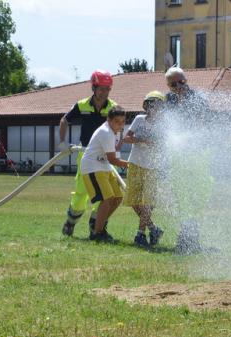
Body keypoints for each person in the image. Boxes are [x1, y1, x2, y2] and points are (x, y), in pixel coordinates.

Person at [58, 70, 117, 236]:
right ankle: (71, 221)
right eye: (101, 89)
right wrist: (62, 142)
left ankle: (95, 226)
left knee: (105, 192)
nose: (104, 93)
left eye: (107, 89)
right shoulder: (81, 105)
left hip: (104, 157)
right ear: (94, 88)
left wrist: (115, 149)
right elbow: (64, 120)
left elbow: (119, 129)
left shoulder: (113, 108)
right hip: (85, 155)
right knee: (81, 191)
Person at [161, 67, 213, 254]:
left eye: (181, 82)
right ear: (169, 86)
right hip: (178, 156)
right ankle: (187, 236)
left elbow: (202, 122)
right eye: (174, 84)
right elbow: (166, 126)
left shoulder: (198, 98)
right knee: (182, 196)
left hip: (199, 152)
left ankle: (190, 234)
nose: (179, 86)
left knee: (201, 192)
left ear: (186, 80)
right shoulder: (168, 100)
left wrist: (189, 136)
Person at [122, 91, 166, 248]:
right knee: (133, 201)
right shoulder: (139, 119)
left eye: (158, 105)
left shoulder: (163, 125)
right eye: (151, 104)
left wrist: (154, 144)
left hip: (152, 167)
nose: (154, 107)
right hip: (135, 163)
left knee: (146, 202)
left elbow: (164, 146)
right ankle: (153, 229)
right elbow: (126, 138)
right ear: (146, 105)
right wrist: (141, 139)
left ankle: (140, 234)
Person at [80, 108, 128, 243]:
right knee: (107, 199)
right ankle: (97, 233)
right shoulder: (106, 133)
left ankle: (98, 223)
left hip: (105, 167)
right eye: (117, 121)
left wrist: (124, 161)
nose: (120, 125)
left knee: (117, 198)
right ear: (109, 120)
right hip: (92, 167)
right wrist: (130, 164)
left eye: (123, 122)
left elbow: (115, 154)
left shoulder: (115, 132)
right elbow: (113, 159)